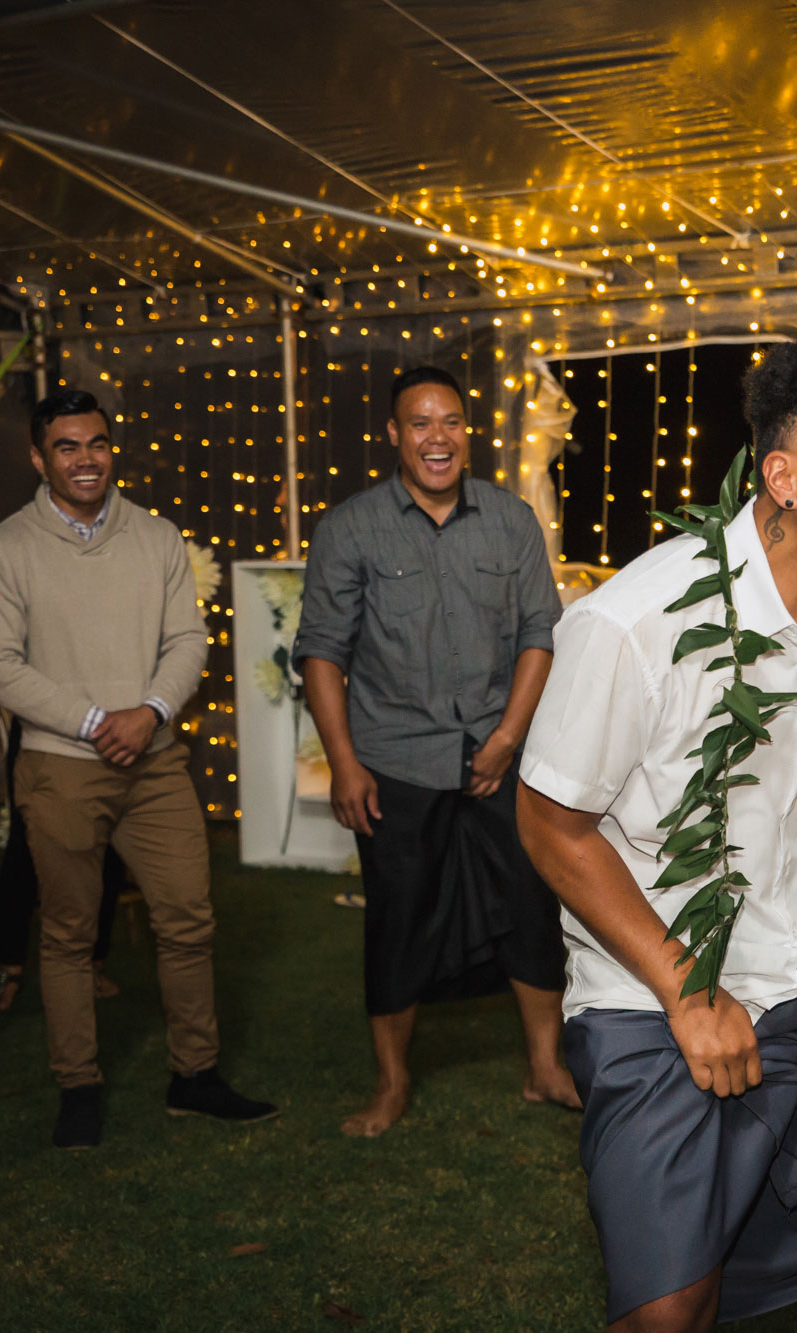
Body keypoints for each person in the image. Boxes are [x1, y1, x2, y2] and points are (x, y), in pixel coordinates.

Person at [516, 338, 797, 1331]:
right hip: (659, 992)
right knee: (668, 1309)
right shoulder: (633, 622)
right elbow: (551, 823)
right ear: (780, 477)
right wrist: (689, 993)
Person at [0, 387, 274, 1150]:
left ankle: (193, 1075)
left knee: (188, 916)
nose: (85, 459)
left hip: (156, 759)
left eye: (97, 443)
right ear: (39, 457)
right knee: (70, 932)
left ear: (112, 448)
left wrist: (149, 712)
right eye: (67, 446)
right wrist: (93, 721)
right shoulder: (6, 547)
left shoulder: (155, 535)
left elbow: (188, 641)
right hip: (61, 764)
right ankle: (79, 1086)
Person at [295, 364, 575, 1137]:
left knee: (530, 905)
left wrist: (507, 739)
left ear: (466, 430)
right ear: (394, 434)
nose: (437, 437)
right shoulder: (350, 528)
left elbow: (538, 635)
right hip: (395, 759)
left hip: (500, 749)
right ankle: (390, 1084)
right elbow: (322, 651)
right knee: (398, 916)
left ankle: (545, 1068)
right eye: (419, 423)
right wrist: (345, 761)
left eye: (449, 421)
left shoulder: (511, 520)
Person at [0, 716, 127, 1013]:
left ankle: (94, 965)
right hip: (40, 727)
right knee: (23, 843)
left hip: (106, 718)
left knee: (108, 840)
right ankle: (10, 970)